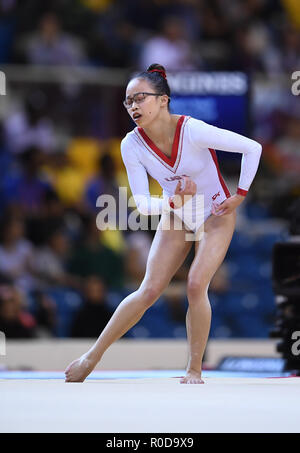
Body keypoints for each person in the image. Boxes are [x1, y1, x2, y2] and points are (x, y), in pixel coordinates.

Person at [65, 63, 262, 384]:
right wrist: (174, 202)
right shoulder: (131, 144)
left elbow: (252, 148)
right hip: (177, 215)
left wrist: (239, 194)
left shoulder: (193, 130)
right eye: (128, 101)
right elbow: (141, 203)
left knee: (197, 284)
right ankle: (90, 358)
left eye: (140, 98)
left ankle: (194, 369)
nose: (133, 106)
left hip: (216, 215)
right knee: (149, 290)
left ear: (162, 100)